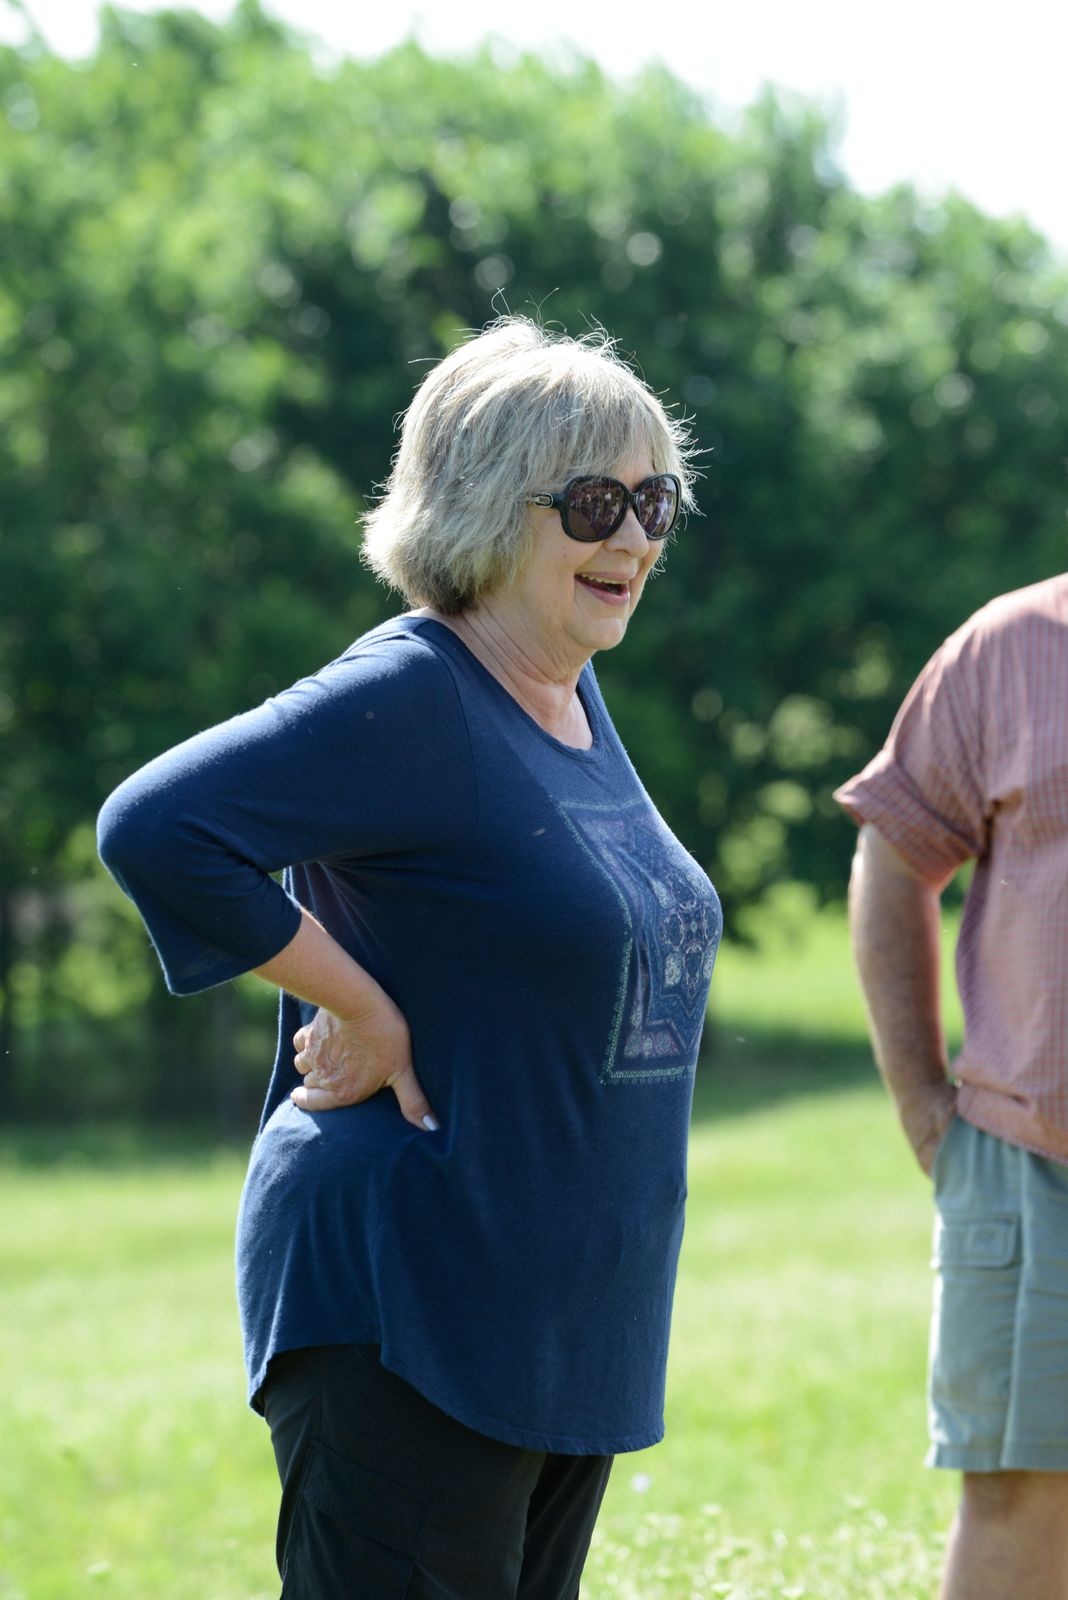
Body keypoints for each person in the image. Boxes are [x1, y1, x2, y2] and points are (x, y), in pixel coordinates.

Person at [97, 316, 723, 1599]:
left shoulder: (567, 689)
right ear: (488, 505)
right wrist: (361, 1005)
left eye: (655, 502)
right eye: (595, 502)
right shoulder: (418, 692)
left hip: (556, 1326)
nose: (633, 538)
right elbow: (157, 828)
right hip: (412, 1296)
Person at [835, 574, 1068, 1600]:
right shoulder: (1010, 647)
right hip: (1037, 1167)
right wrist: (925, 1106)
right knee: (1021, 1497)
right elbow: (895, 860)